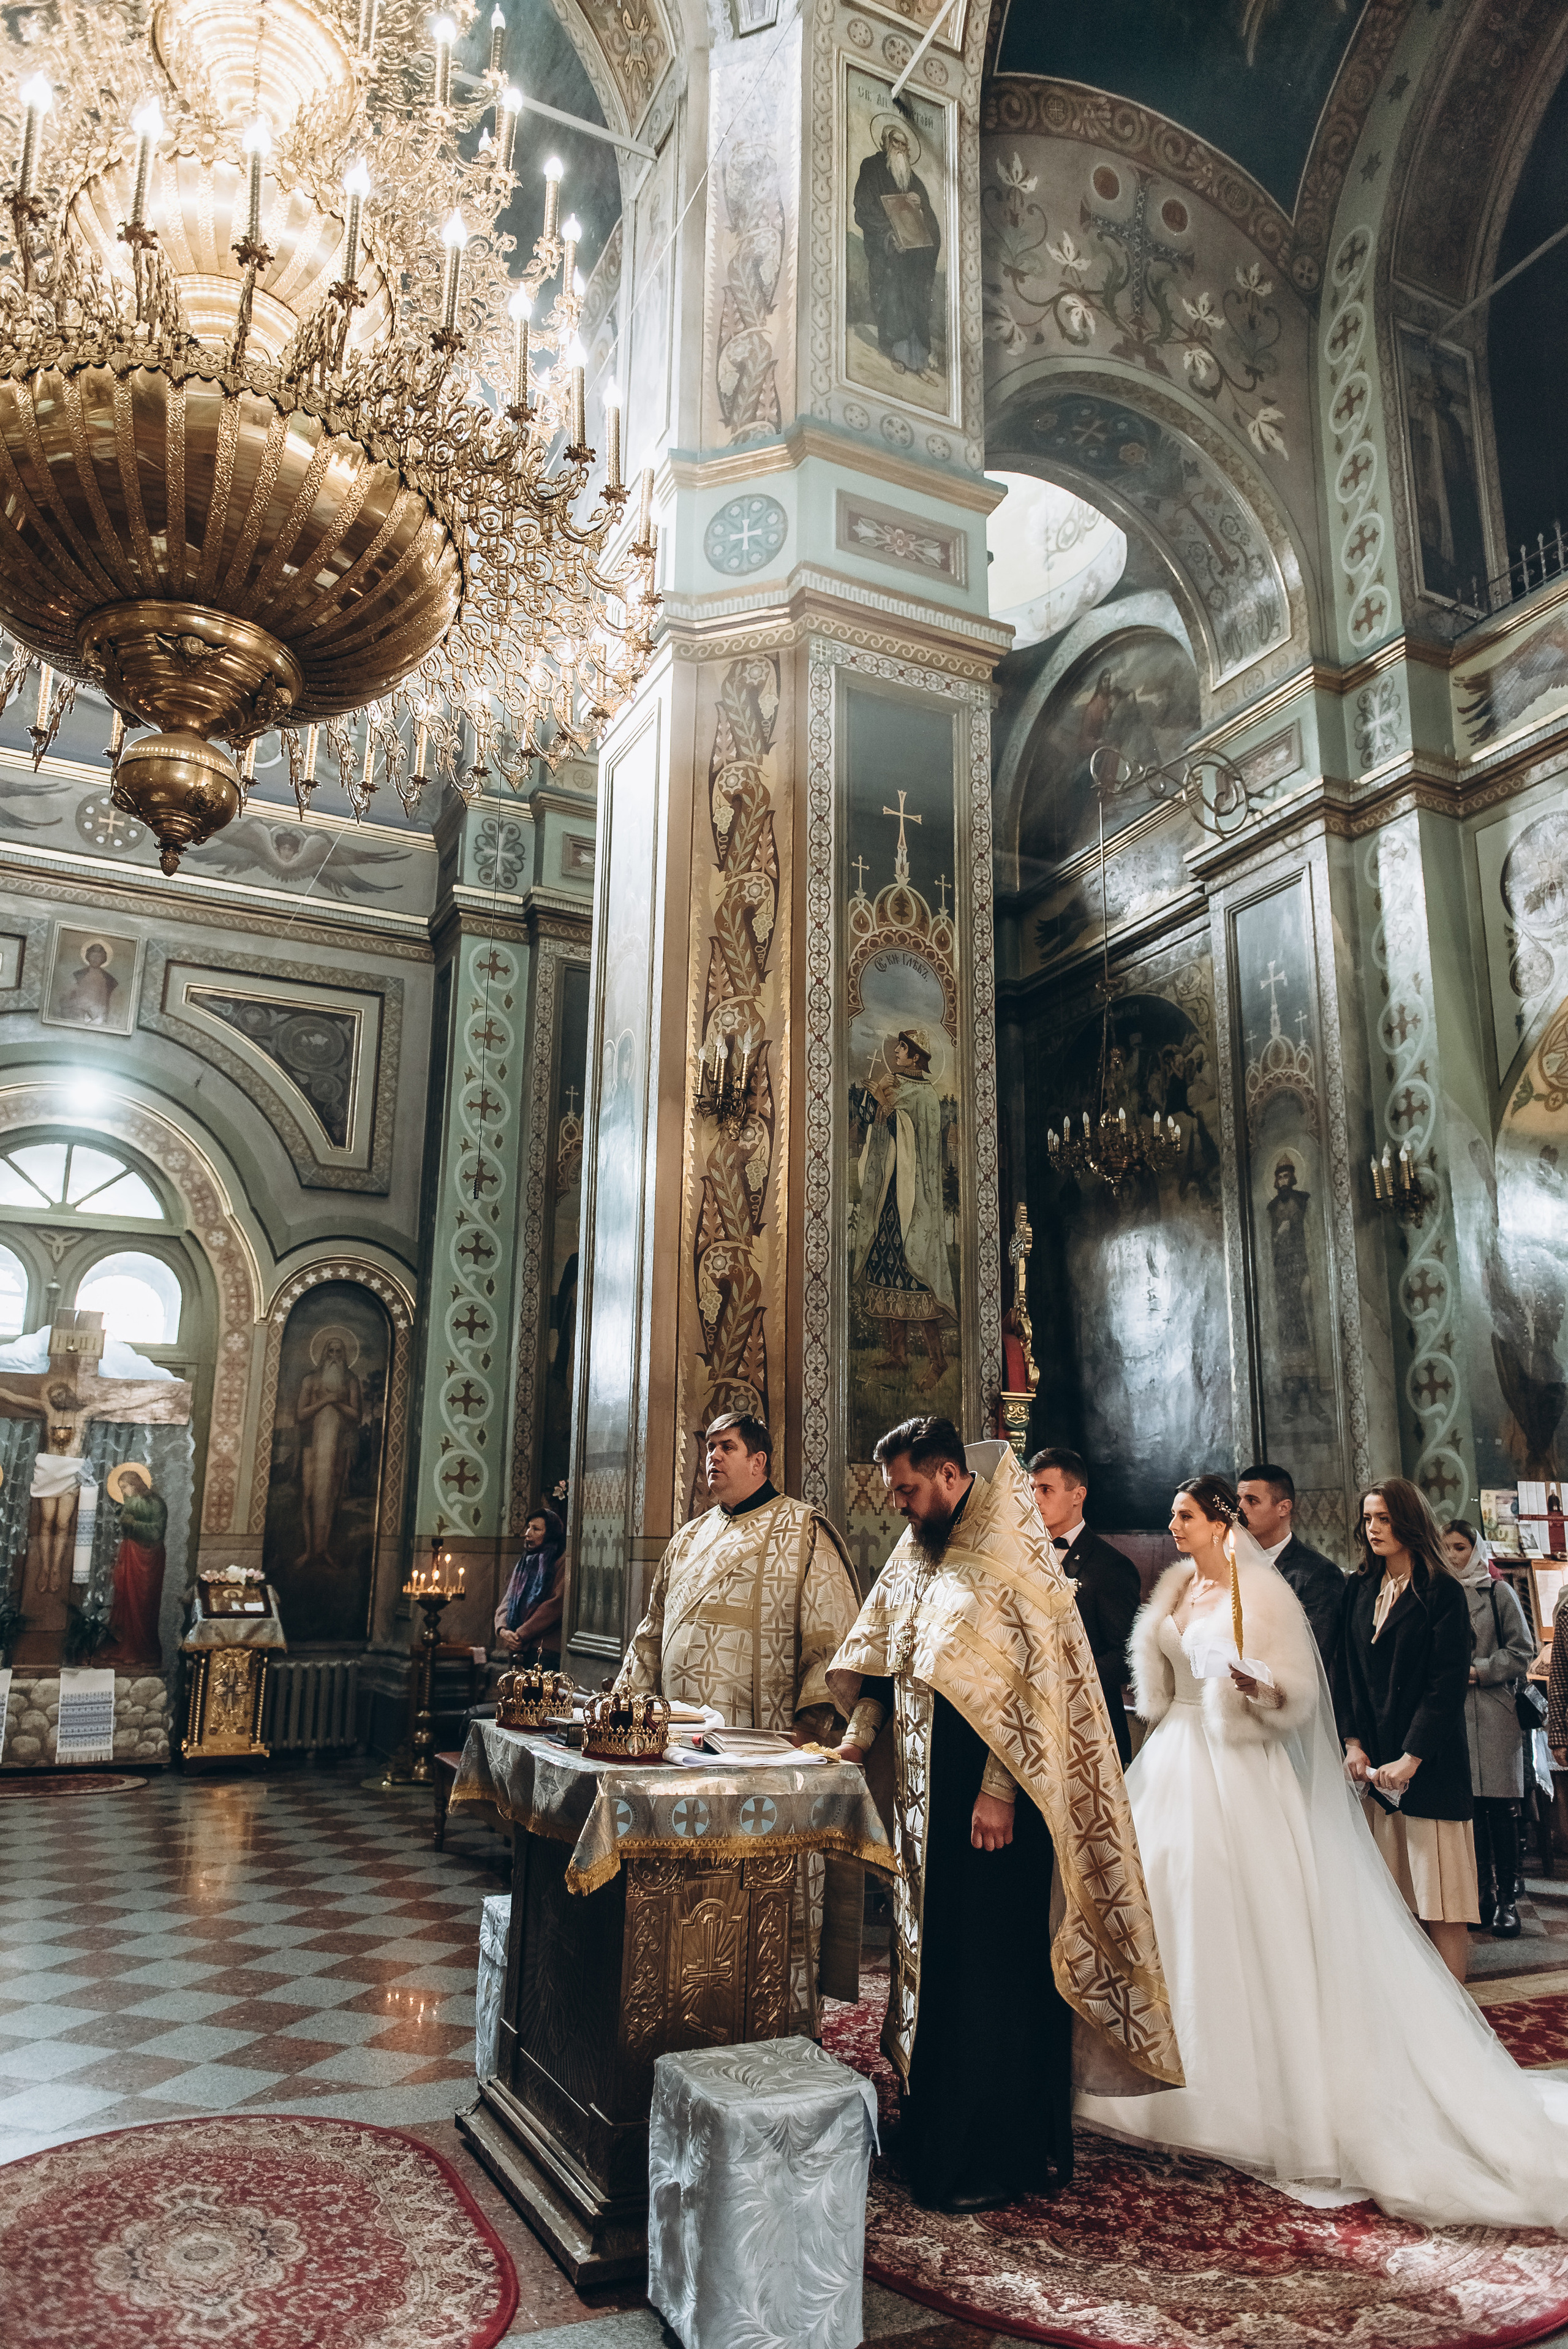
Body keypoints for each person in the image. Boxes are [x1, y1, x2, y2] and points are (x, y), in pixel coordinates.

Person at [1076, 1474, 1568, 2230]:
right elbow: (1154, 1679)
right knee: (1161, 1902)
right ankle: (1155, 2081)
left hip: (1237, 1766)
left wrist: (1257, 1686)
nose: (1171, 1527)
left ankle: (1246, 2098)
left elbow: (1299, 1689)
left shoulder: (1261, 1591)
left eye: (1183, 1516)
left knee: (1240, 1916)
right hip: (1169, 1760)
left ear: (1217, 1521)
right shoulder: (1172, 1590)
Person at [828, 1417, 1180, 2215]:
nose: (900, 1504)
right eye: (895, 1491)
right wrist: (858, 1736)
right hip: (927, 1809)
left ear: (951, 1475)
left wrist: (998, 1790)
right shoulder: (919, 1549)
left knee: (985, 1978)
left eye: (909, 1488)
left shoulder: (1013, 1557)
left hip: (994, 1817)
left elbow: (1031, 1687)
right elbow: (884, 1656)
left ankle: (990, 2151)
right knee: (933, 1966)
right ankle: (931, 2133)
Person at [621, 1410, 861, 2029]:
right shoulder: (688, 1537)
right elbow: (651, 1635)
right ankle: (673, 2013)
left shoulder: (802, 1530)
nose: (713, 1458)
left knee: (755, 1905)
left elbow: (832, 1643)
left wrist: (809, 1733)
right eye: (707, 1447)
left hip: (759, 1756)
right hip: (676, 1756)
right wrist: (626, 1703)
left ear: (760, 1461)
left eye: (727, 1447)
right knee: (680, 1900)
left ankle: (766, 2019)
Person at [1340, 1478, 1479, 1982]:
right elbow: (1347, 1671)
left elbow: (1445, 1688)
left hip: (1430, 1769)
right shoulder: (1358, 1588)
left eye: (1384, 1518)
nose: (1374, 1528)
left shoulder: (1441, 1591)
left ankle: (1456, 2026)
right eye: (1369, 1518)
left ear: (1409, 1522)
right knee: (1391, 1903)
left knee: (1441, 1901)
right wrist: (1352, 1743)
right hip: (1373, 1771)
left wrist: (1411, 1758)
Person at [1444, 1518, 1534, 1939]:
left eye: (1460, 1548)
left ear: (1474, 1550)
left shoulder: (1497, 1592)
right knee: (1471, 1812)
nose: (1452, 1556)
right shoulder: (1437, 1595)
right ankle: (1480, 1894)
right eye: (1445, 1548)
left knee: (1500, 1808)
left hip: (1495, 1710)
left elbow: (1522, 1650)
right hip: (1455, 1715)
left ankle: (1508, 1902)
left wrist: (1479, 1671)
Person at [851, 1029, 955, 1390]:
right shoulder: (892, 1083)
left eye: (903, 1048)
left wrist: (887, 1108)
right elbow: (869, 1121)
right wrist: (877, 1101)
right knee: (886, 1268)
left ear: (916, 1057)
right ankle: (898, 1355)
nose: (895, 1051)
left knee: (917, 1274)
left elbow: (916, 1136)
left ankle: (937, 1361)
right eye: (898, 1046)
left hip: (915, 1198)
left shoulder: (925, 1096)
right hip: (889, 1196)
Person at [1028, 1444, 1140, 1765]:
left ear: (1078, 1495)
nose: (1035, 1498)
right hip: (1032, 1725)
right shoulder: (1022, 1559)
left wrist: (1068, 1679)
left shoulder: (1111, 1567)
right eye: (1032, 1488)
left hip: (1090, 1724)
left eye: (1046, 1489)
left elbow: (1127, 1655)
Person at [851, 113, 941, 379]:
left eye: (905, 145)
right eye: (896, 143)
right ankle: (896, 354)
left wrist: (921, 207)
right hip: (887, 254)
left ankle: (919, 361)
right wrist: (889, 236)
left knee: (914, 302)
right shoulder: (872, 168)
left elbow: (931, 225)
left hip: (912, 259)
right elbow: (863, 209)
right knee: (892, 300)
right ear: (884, 144)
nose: (901, 149)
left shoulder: (914, 181)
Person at [1236, 1461, 1344, 1666]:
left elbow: (1315, 1655)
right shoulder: (1233, 1564)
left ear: (1283, 1508)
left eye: (1252, 1500)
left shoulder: (1318, 1573)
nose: (1240, 1509)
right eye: (1238, 1499)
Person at [293, 1330, 363, 1567]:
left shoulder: (351, 1381)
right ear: (324, 1354)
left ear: (345, 1355)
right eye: (330, 1351)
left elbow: (356, 1415)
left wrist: (338, 1402)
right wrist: (325, 1400)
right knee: (309, 1495)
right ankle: (308, 1549)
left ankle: (324, 1551)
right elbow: (301, 1414)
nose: (334, 1356)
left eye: (339, 1352)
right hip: (311, 1446)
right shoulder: (310, 1380)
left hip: (339, 1446)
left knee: (333, 1495)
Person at [96, 1461, 167, 1671]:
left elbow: (156, 1532)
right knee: (125, 1599)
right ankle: (123, 1645)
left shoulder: (156, 1503)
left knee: (144, 1602)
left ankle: (141, 1649)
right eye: (121, 1489)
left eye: (125, 1487)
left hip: (149, 1558)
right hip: (130, 1554)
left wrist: (133, 1524)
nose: (123, 1492)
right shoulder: (131, 1502)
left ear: (135, 1485)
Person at [494, 1507, 566, 1666]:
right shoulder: (525, 1562)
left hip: (544, 1650)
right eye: (529, 1527)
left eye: (536, 1529)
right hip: (516, 1646)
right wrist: (503, 1631)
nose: (528, 1533)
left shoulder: (561, 1562)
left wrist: (521, 1634)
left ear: (550, 1534)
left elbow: (555, 1606)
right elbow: (508, 1600)